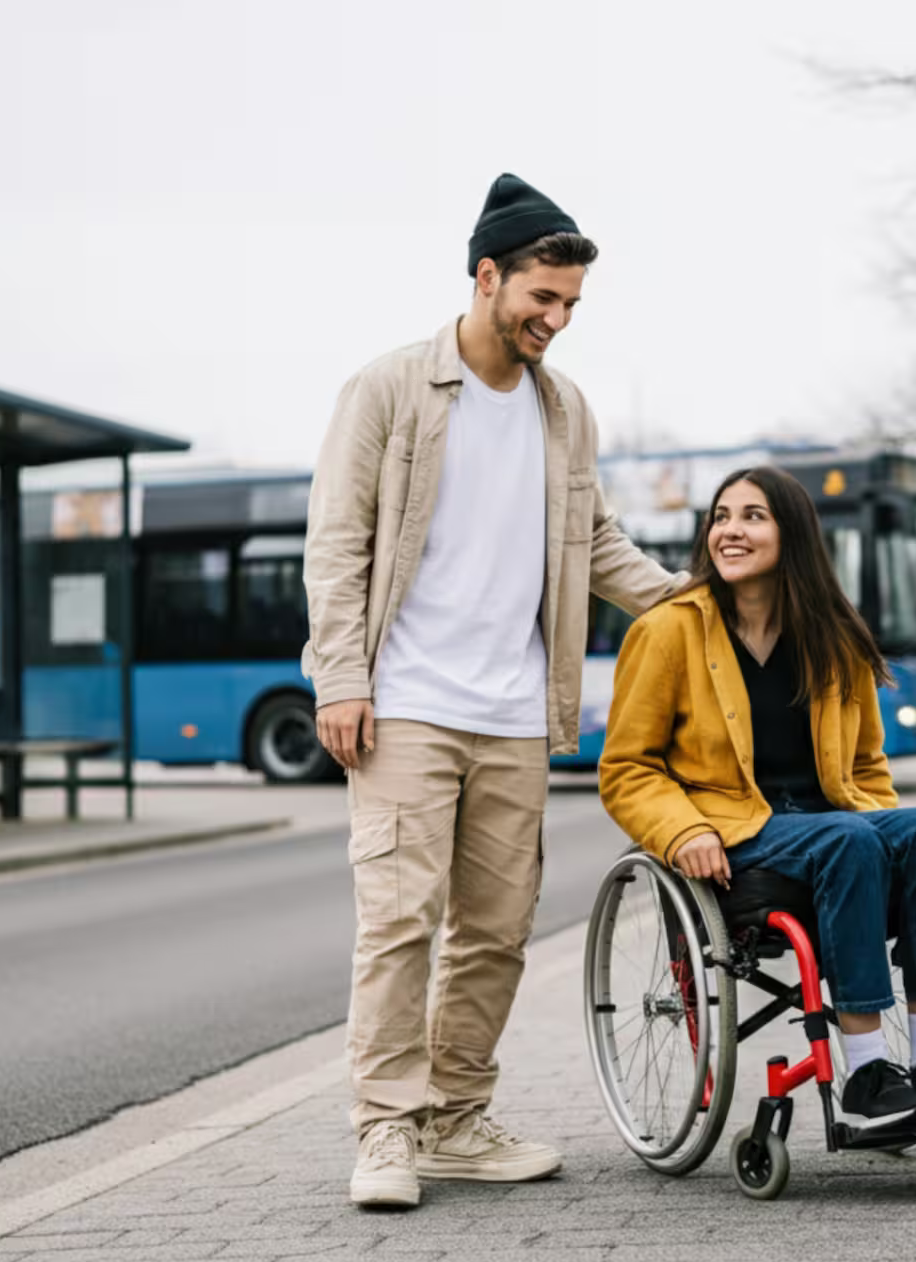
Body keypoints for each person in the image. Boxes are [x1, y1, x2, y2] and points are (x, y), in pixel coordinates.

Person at [304, 173, 681, 1209]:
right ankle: (384, 1129)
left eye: (568, 306)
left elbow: (595, 541)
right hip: (408, 705)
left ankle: (454, 1120)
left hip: (516, 712)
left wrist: (693, 604)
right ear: (486, 276)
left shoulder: (565, 411)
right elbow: (336, 544)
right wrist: (340, 676)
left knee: (496, 930)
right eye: (540, 300)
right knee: (398, 922)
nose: (554, 322)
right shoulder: (388, 390)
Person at [600, 466, 916, 1142]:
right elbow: (627, 769)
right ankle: (866, 1075)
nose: (730, 530)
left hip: (832, 825)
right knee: (849, 841)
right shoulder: (669, 632)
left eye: (753, 516)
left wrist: (881, 827)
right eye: (721, 516)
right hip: (734, 832)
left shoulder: (834, 637)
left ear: (794, 535)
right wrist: (682, 830)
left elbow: (867, 766)